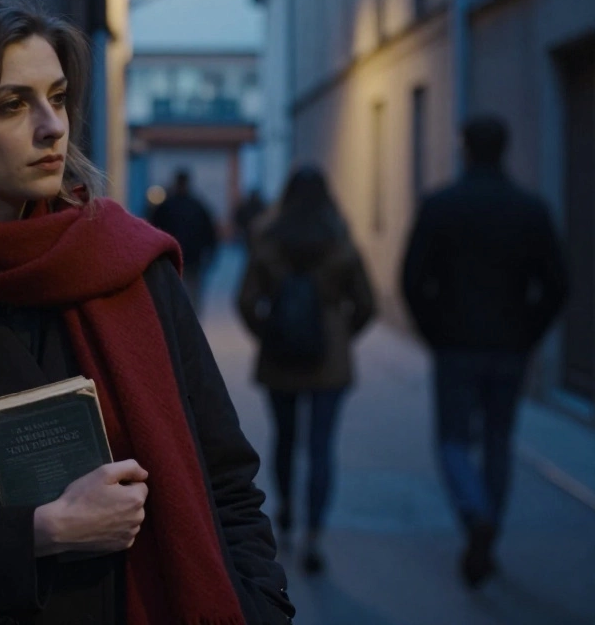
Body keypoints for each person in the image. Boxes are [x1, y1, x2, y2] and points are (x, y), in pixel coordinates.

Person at [0, 0, 294, 625]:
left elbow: (227, 479)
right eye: (12, 105)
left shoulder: (129, 266)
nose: (52, 127)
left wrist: (263, 607)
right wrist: (43, 532)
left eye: (58, 96)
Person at [401, 115, 567, 589]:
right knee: (498, 439)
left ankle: (476, 516)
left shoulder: (442, 206)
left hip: (456, 346)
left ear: (465, 149)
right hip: (508, 347)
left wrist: (435, 332)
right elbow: (557, 284)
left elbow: (412, 281)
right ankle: (487, 527)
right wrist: (528, 334)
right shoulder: (529, 209)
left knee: (453, 440)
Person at [237, 166, 375, 575]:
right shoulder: (341, 241)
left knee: (284, 438)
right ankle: (314, 535)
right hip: (329, 362)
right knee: (320, 448)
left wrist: (268, 333)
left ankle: (287, 512)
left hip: (280, 359)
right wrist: (341, 334)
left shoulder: (268, 239)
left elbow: (245, 301)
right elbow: (366, 304)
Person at [149, 170, 218, 306]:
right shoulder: (197, 206)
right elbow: (210, 233)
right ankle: (191, 324)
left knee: (171, 296)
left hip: (169, 260)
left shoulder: (166, 207)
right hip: (192, 259)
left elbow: (153, 230)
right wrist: (210, 255)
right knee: (193, 296)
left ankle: (175, 324)